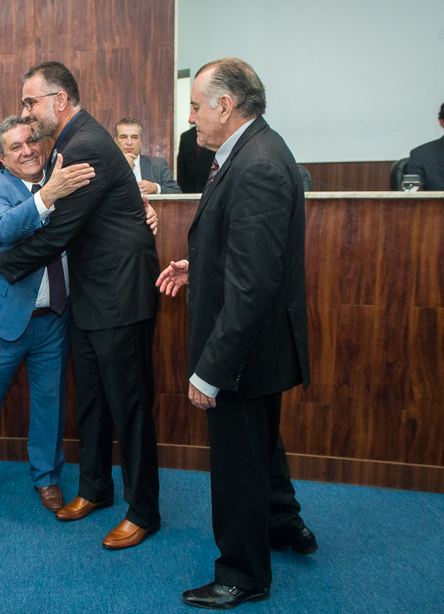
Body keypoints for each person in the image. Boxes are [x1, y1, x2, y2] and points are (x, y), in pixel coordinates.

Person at [0, 61, 161, 551]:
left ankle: (144, 510)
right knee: (94, 403)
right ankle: (96, 490)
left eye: (30, 103)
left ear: (59, 100)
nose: (26, 113)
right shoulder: (69, 144)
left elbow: (59, 231)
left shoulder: (84, 145)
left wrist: (4, 263)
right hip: (89, 299)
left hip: (120, 298)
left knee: (131, 408)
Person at [156, 57, 316, 610]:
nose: (192, 117)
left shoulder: (259, 165)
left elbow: (252, 287)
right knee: (260, 445)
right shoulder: (252, 151)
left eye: (197, 106)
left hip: (247, 349)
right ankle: (284, 526)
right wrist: (193, 267)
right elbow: (245, 256)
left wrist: (211, 371)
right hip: (260, 345)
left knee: (237, 462)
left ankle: (243, 574)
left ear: (225, 106)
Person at [0, 115, 96, 513]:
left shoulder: (62, 174)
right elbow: (3, 228)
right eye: (15, 147)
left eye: (31, 141)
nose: (27, 150)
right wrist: (46, 195)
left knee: (50, 401)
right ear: (2, 157)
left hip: (53, 316)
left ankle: (47, 477)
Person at [114, 117, 181, 194]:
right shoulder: (106, 166)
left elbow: (176, 193)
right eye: (123, 137)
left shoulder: (159, 165)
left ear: (140, 141)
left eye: (134, 137)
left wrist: (156, 188)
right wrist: (120, 165)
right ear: (115, 141)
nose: (129, 142)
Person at [175, 126, 216, 193]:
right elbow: (181, 168)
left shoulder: (214, 136)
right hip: (189, 191)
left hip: (210, 189)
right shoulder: (186, 137)